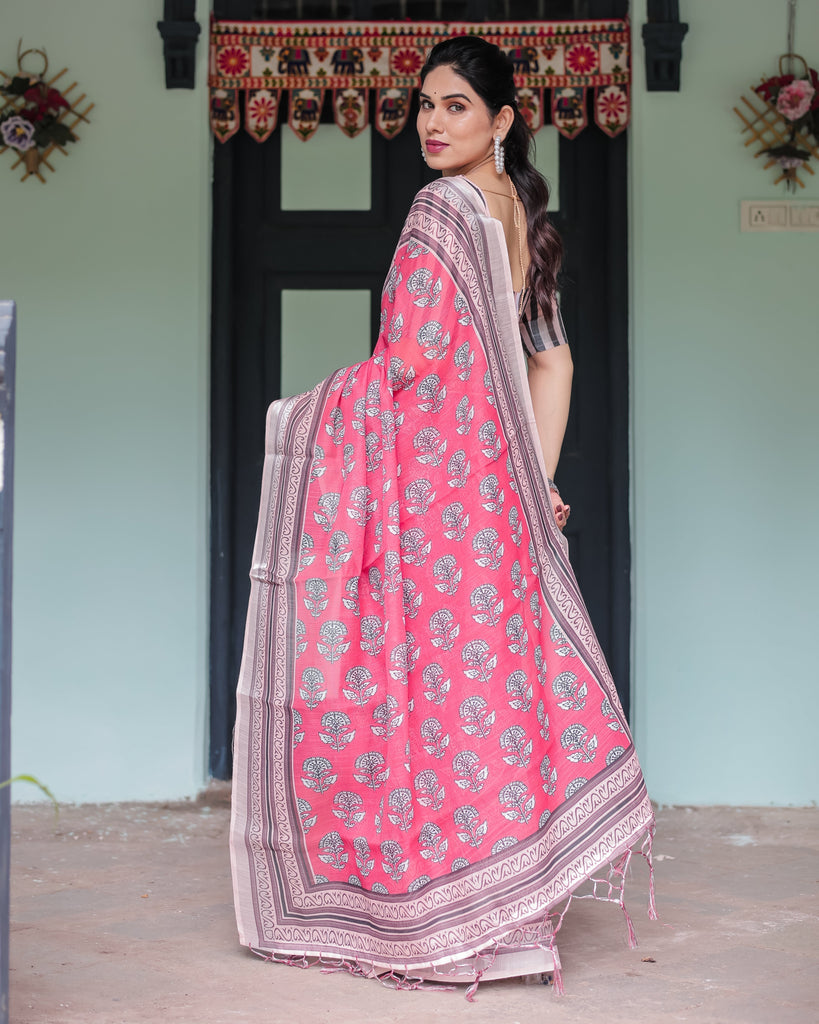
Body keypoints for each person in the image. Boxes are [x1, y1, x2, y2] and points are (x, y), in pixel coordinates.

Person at [230, 35, 655, 994]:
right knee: (484, 699)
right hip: (494, 504)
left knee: (424, 701)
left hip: (434, 505)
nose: (430, 122)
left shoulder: (440, 208)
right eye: (424, 103)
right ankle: (507, 928)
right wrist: (533, 481)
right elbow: (553, 362)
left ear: (501, 120)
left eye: (455, 105)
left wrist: (300, 420)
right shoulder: (520, 217)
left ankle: (443, 923)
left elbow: (409, 368)